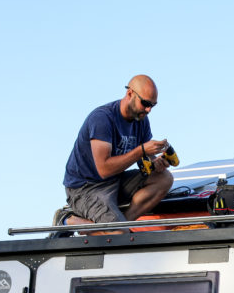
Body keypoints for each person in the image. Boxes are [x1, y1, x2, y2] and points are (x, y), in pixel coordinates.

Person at [55, 74, 173, 233]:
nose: (148, 110)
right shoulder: (102, 119)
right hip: (86, 188)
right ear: (130, 93)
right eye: (145, 103)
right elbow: (104, 169)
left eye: (153, 105)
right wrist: (141, 150)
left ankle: (119, 224)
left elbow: (147, 158)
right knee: (118, 235)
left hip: (115, 180)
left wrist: (156, 163)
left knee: (164, 178)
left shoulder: (141, 120)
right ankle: (68, 220)